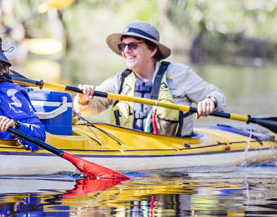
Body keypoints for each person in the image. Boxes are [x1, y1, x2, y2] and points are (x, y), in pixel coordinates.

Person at [74, 20, 226, 137]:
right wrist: (83, 98)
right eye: (123, 46)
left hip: (175, 154)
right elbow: (88, 109)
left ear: (152, 50)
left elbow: (216, 94)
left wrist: (210, 101)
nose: (126, 51)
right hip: (129, 149)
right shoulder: (119, 81)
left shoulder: (179, 74)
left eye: (133, 45)